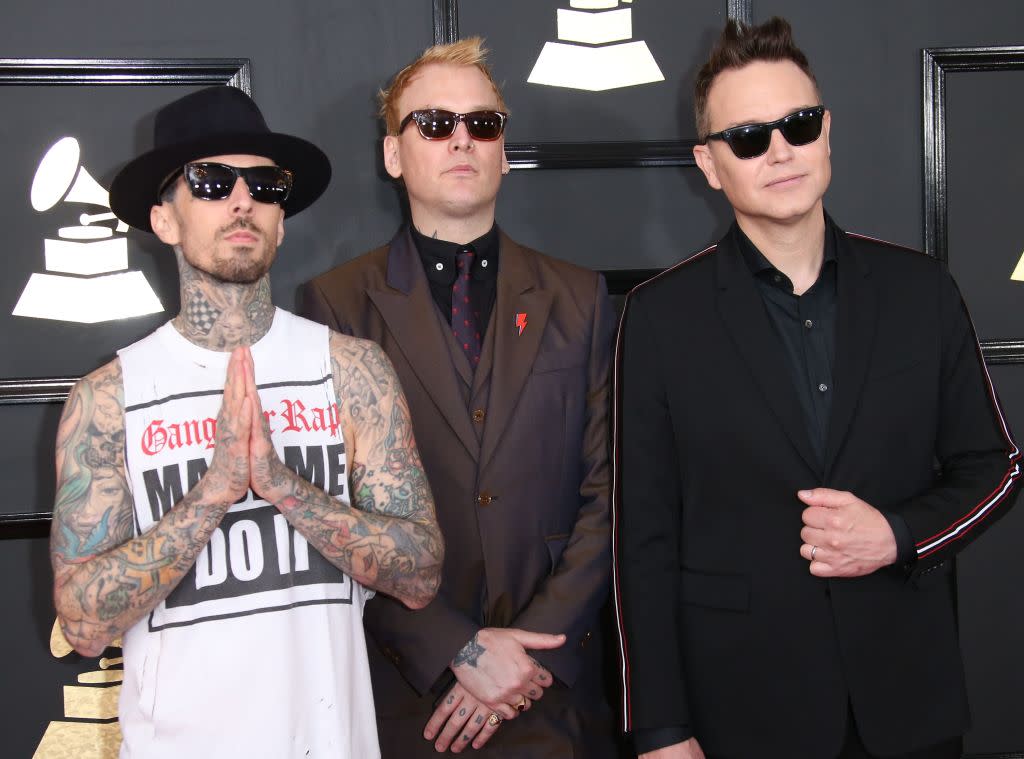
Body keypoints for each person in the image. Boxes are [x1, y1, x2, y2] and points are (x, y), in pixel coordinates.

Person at [614, 17, 1021, 759]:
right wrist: (661, 729)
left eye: (798, 125)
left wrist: (897, 536)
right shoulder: (659, 318)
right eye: (748, 137)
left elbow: (994, 469)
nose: (779, 151)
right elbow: (642, 541)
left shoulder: (920, 291)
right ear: (710, 165)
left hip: (909, 704)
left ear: (826, 132)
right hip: (741, 710)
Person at [49, 85, 444, 759]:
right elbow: (83, 619)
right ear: (164, 219)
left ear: (282, 220)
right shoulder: (109, 396)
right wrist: (214, 492)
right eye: (210, 181)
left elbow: (421, 570)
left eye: (265, 185)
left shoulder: (350, 369)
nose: (242, 201)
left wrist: (283, 484)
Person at [302, 37, 617, 758]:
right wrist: (457, 649)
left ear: (504, 149)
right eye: (435, 124)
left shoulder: (580, 296)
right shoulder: (336, 303)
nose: (462, 140)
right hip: (414, 699)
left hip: (556, 695)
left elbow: (610, 492)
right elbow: (333, 513)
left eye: (484, 124)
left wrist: (532, 653)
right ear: (393, 155)